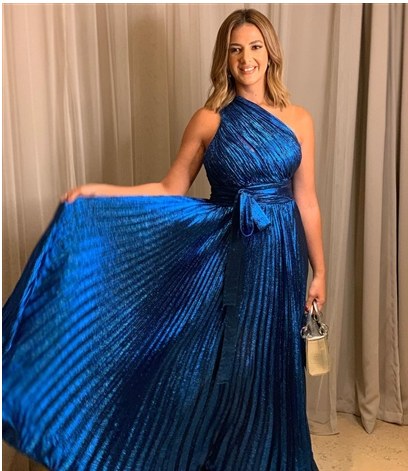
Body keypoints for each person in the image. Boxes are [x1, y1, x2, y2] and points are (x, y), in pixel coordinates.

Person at [3, 8, 325, 471]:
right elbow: (170, 187)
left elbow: (306, 200)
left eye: (255, 47)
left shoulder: (299, 120)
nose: (246, 58)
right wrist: (100, 192)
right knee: (217, 360)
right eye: (235, 49)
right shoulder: (209, 119)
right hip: (227, 255)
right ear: (224, 58)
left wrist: (320, 271)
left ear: (271, 54)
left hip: (281, 259)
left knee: (272, 360)